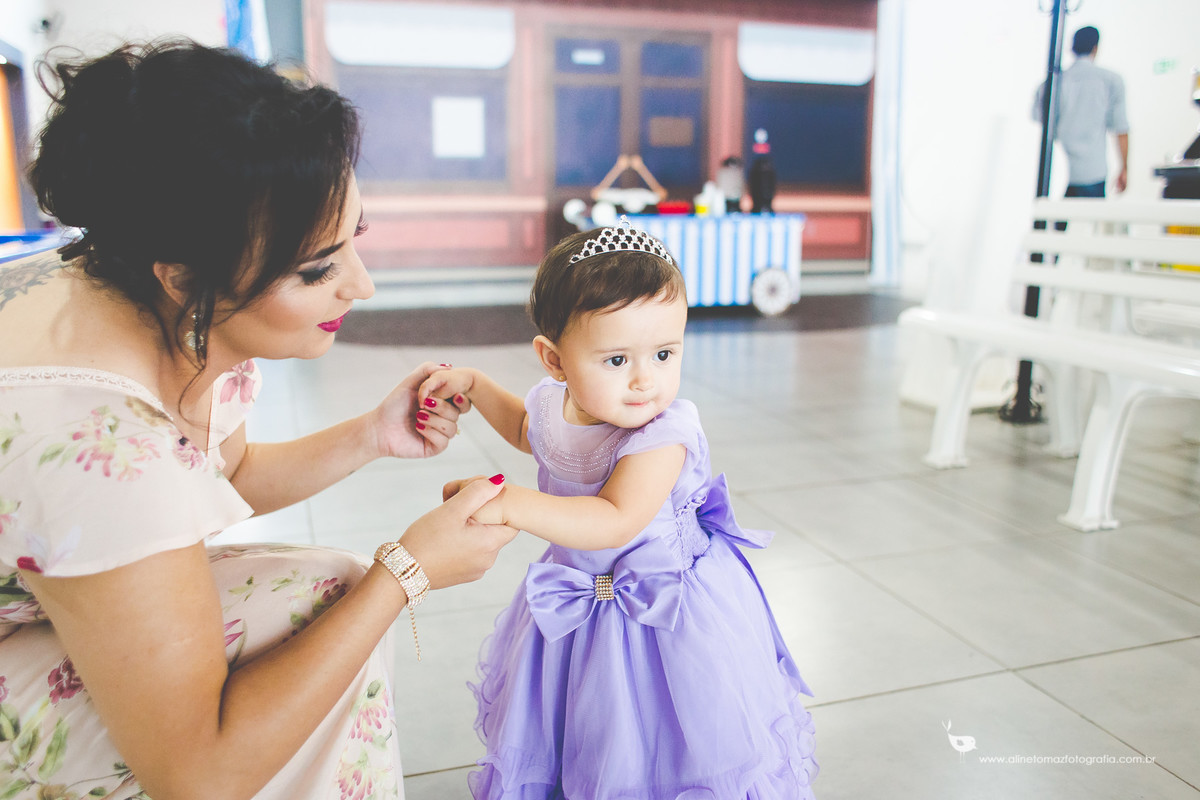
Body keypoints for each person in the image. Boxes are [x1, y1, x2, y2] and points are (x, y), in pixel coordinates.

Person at [0, 40, 517, 799]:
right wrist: (407, 573)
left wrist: (374, 432)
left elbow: (227, 471)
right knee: (344, 611)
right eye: (317, 271)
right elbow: (195, 774)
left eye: (353, 244)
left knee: (327, 595)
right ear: (183, 278)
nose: (362, 288)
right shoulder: (100, 447)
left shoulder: (152, 285)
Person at [417, 220, 818, 799]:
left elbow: (616, 519)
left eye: (663, 353)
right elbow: (531, 431)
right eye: (615, 360)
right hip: (581, 603)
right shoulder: (556, 404)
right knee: (582, 729)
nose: (644, 380)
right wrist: (477, 386)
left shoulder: (665, 432)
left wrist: (511, 504)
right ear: (554, 361)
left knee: (666, 740)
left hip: (667, 611)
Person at [1033, 25, 1130, 197]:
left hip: (1058, 169)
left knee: (1051, 220)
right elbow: (1120, 128)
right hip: (1092, 172)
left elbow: (1038, 119)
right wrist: (1124, 168)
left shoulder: (1051, 83)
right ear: (1096, 47)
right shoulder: (1110, 81)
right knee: (1087, 222)